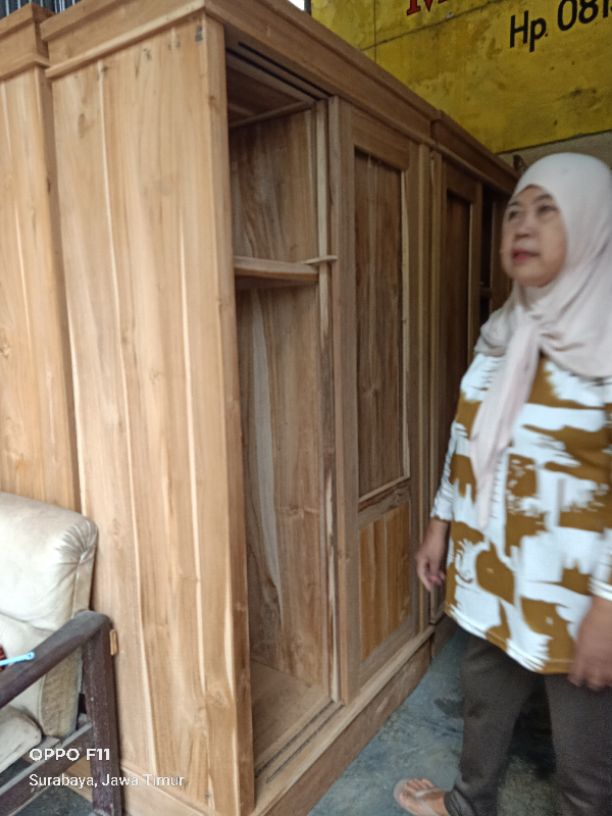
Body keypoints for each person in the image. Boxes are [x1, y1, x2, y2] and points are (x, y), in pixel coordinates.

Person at [394, 152, 612, 816]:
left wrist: (608, 607)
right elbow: (465, 440)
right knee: (484, 698)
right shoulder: (501, 336)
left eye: (548, 210)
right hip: (492, 571)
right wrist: (440, 523)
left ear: (593, 225)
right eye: (516, 210)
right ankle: (468, 804)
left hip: (577, 600)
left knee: (585, 757)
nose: (523, 224)